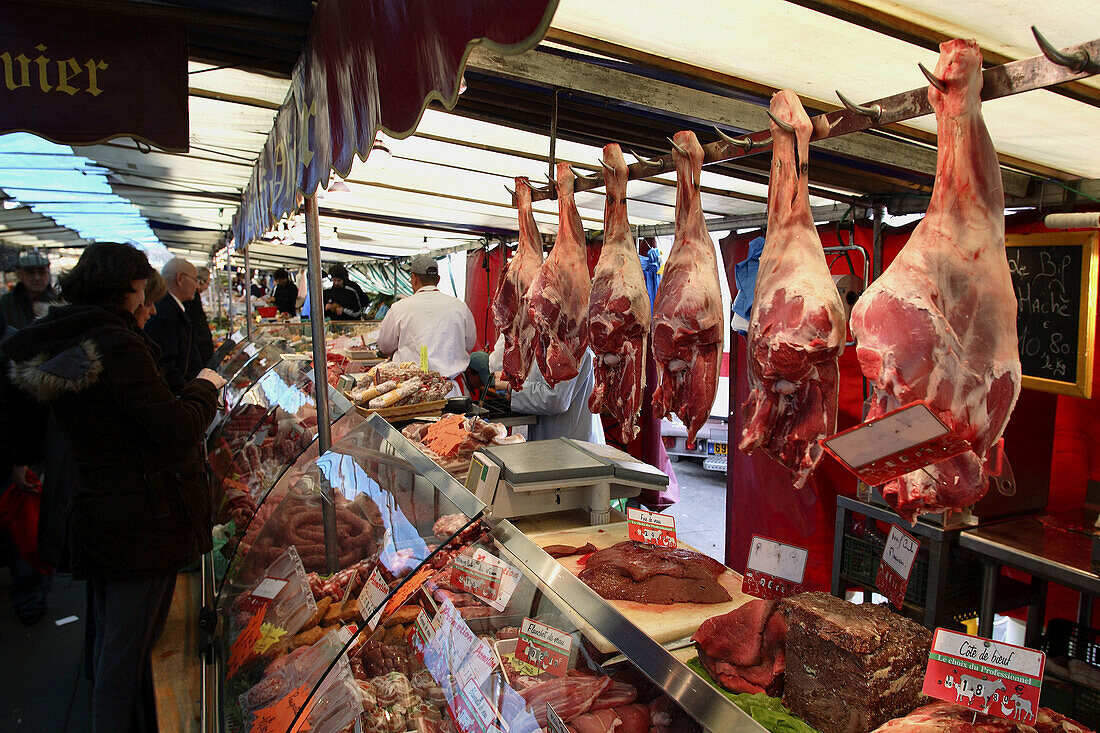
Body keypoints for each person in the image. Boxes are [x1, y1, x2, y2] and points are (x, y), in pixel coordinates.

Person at [0, 242, 225, 732]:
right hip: (142, 519)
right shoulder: (115, 344)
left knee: (112, 643)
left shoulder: (70, 334)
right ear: (120, 290)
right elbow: (175, 430)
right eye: (143, 294)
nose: (149, 307)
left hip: (104, 507)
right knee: (124, 654)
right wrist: (204, 386)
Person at [377, 254, 476, 388]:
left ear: (414, 278)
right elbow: (469, 343)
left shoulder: (399, 308)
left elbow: (385, 346)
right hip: (451, 390)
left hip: (412, 391)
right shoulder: (460, 307)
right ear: (438, 279)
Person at [492, 346, 605, 444]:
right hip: (551, 441)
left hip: (574, 444)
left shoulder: (571, 345)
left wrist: (513, 388)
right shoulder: (545, 341)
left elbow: (556, 399)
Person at [144, 257, 203, 394]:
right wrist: (192, 394)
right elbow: (167, 367)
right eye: (195, 279)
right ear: (180, 278)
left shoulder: (171, 309)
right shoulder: (165, 314)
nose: (197, 286)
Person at [1, 250, 56, 328]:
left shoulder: (59, 301)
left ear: (48, 275)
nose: (37, 278)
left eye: (41, 272)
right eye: (30, 273)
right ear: (20, 275)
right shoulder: (6, 302)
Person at [186, 266, 214, 367]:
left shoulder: (194, 297)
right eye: (207, 284)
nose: (207, 287)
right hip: (199, 352)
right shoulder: (192, 298)